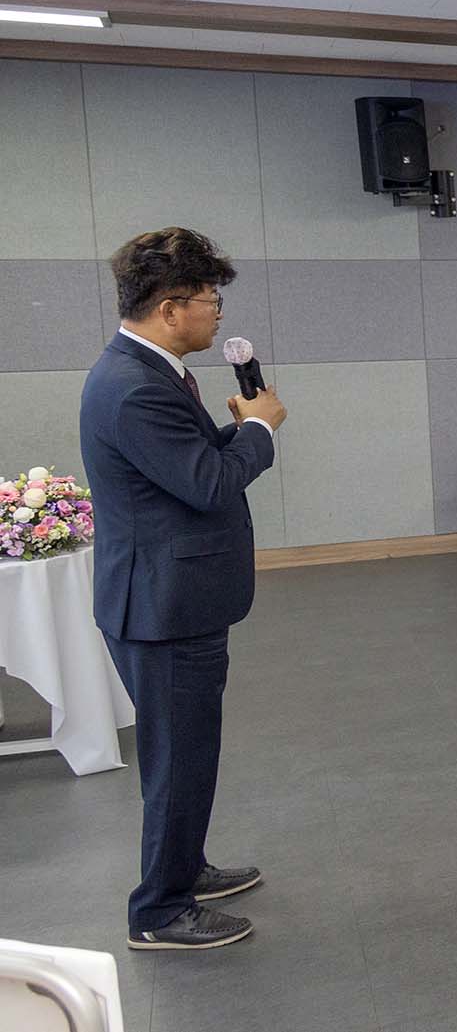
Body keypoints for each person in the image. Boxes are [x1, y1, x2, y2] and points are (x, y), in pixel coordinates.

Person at [80, 227, 285, 950]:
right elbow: (207, 485)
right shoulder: (136, 386)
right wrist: (259, 432)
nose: (218, 313)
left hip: (175, 596)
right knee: (177, 758)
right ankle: (159, 910)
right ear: (171, 307)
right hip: (162, 607)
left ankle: (185, 867)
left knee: (188, 751)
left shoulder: (149, 370)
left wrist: (234, 433)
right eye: (209, 299)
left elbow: (187, 467)